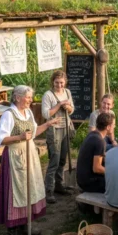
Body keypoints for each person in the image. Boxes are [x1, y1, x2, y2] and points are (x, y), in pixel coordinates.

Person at [0, 85, 59, 235]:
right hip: (15, 158)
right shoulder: (9, 115)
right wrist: (20, 137)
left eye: (31, 97)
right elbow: (0, 139)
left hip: (29, 156)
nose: (31, 100)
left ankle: (24, 224)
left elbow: (33, 132)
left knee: (28, 190)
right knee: (16, 193)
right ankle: (12, 234)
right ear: (17, 97)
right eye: (28, 97)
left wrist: (48, 124)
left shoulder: (29, 112)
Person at [41, 70, 74, 204]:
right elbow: (46, 114)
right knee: (54, 159)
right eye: (57, 83)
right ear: (52, 82)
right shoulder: (48, 95)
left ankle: (59, 185)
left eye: (61, 83)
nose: (59, 85)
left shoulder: (67, 92)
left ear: (65, 82)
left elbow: (72, 110)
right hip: (54, 130)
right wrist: (59, 104)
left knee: (62, 159)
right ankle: (49, 190)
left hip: (66, 128)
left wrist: (68, 107)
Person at [76, 112, 115, 193]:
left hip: (82, 179)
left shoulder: (92, 135)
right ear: (108, 127)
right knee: (117, 183)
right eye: (113, 125)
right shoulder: (100, 141)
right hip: (88, 183)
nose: (114, 127)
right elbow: (96, 168)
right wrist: (112, 172)